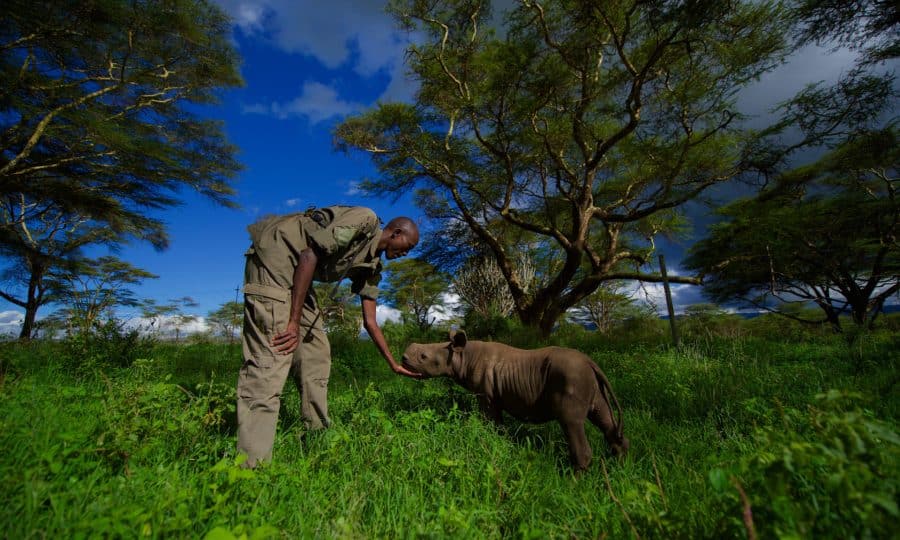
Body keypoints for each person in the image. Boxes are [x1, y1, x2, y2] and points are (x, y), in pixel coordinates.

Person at [236, 205, 421, 467]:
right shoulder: (365, 220)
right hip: (276, 257)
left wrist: (393, 364)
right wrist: (293, 322)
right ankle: (251, 465)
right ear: (396, 232)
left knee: (316, 354)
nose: (405, 253)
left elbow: (370, 322)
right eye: (407, 246)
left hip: (298, 272)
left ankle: (316, 438)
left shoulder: (372, 267)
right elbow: (310, 254)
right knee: (272, 357)